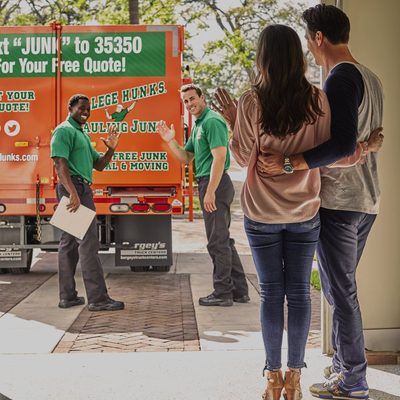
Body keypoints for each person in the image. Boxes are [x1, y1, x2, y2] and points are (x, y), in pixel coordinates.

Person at [257, 5, 384, 399]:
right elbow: (361, 140)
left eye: (309, 41)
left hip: (340, 201)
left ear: (317, 38)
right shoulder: (370, 76)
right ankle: (344, 368)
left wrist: (292, 162)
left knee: (340, 292)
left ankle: (353, 381)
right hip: (366, 200)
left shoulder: (339, 79)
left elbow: (343, 143)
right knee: (336, 289)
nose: (310, 51)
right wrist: (364, 146)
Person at [214, 24, 333, 400]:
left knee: (270, 294)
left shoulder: (252, 102)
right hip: (304, 212)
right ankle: (295, 378)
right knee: (298, 294)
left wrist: (235, 122)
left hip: (262, 213)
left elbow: (240, 156)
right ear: (297, 56)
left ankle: (272, 377)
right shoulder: (317, 100)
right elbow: (325, 156)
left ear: (263, 57)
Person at [157, 84, 249, 307]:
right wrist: (170, 139)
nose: (190, 104)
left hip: (215, 184)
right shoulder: (198, 125)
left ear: (202, 97)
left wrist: (210, 192)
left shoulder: (212, 121)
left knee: (216, 242)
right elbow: (185, 157)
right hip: (210, 183)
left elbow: (219, 158)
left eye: (192, 98)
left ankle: (222, 292)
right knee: (223, 239)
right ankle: (239, 290)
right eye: (186, 101)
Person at [51, 94, 125, 312]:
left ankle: (68, 297)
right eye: (81, 108)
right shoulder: (64, 130)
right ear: (70, 108)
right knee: (88, 244)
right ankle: (98, 298)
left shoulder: (81, 133)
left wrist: (111, 148)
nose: (86, 111)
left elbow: (99, 165)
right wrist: (73, 194)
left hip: (79, 188)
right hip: (74, 189)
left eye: (88, 109)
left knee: (69, 245)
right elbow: (59, 164)